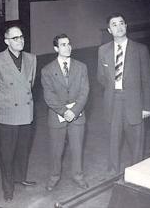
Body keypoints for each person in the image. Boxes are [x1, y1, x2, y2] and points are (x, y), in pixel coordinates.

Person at [97, 13, 150, 175]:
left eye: (121, 23)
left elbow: (147, 80)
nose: (119, 27)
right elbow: (101, 77)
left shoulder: (140, 49)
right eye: (114, 24)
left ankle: (137, 171)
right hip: (113, 100)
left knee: (136, 140)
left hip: (135, 102)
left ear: (126, 26)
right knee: (113, 138)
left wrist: (146, 107)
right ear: (109, 30)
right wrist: (113, 89)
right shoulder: (103, 50)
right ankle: (113, 172)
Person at [0, 26, 37, 202]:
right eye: (15, 38)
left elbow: (30, 85)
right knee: (7, 155)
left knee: (23, 150)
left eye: (21, 37)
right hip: (7, 115)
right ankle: (7, 188)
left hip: (26, 112)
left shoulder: (31, 58)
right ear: (6, 41)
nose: (20, 40)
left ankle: (20, 178)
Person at [41, 34, 89, 191]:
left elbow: (85, 91)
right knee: (56, 150)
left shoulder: (81, 67)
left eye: (69, 44)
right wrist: (64, 111)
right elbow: (49, 96)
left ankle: (78, 176)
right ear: (56, 48)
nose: (67, 47)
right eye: (63, 45)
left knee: (77, 148)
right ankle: (54, 177)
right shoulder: (47, 70)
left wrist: (74, 111)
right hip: (57, 117)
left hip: (77, 115)